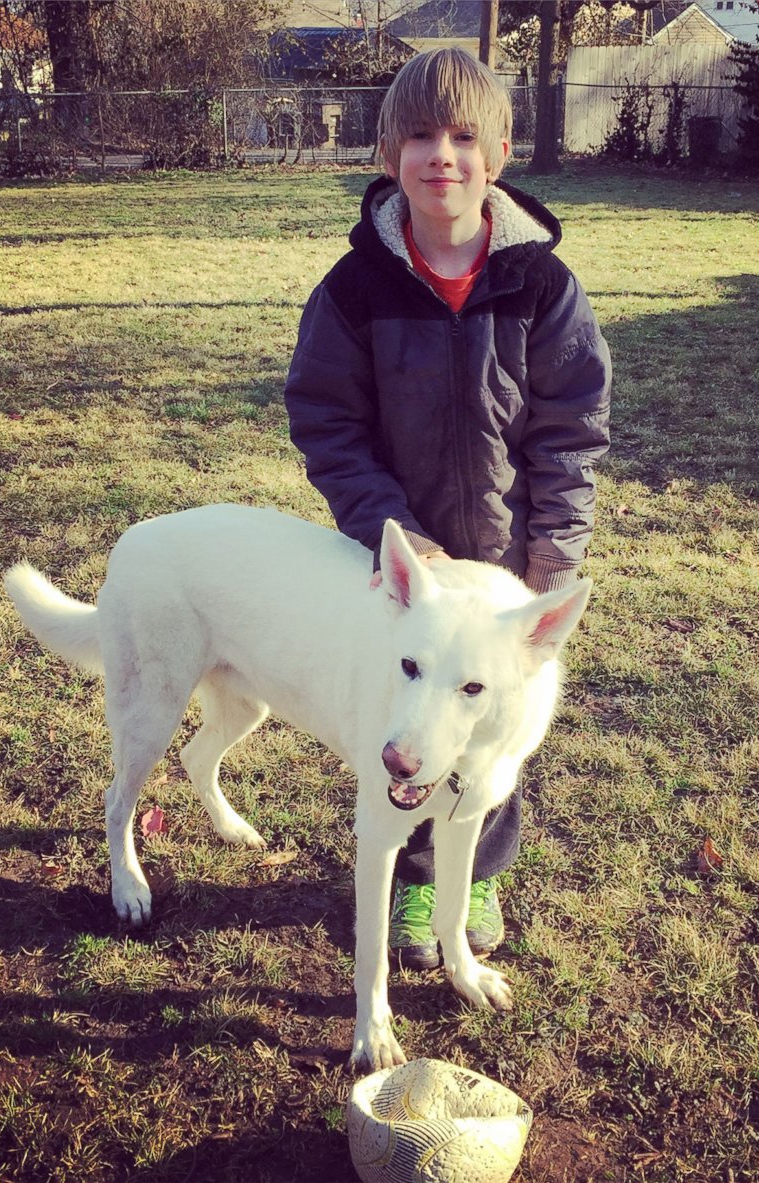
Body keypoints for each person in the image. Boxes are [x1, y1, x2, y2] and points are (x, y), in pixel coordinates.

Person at [281, 47, 613, 971]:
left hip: (506, 562)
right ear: (390, 152)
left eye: (464, 136)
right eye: (421, 135)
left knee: (487, 719)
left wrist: (556, 541)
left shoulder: (541, 286)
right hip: (404, 555)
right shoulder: (356, 289)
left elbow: (571, 426)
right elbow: (326, 420)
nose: (442, 156)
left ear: (499, 153)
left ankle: (474, 874)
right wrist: (390, 525)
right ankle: (413, 867)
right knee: (415, 706)